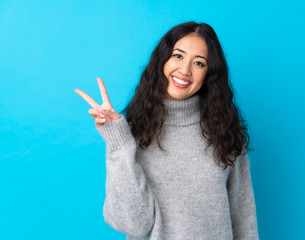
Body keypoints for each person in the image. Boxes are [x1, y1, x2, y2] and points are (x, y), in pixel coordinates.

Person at [75, 22, 258, 240]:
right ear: (163, 59)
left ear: (209, 73)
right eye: (178, 56)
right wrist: (118, 143)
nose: (185, 70)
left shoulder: (224, 131)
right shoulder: (133, 131)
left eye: (199, 63)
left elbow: (243, 219)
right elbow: (132, 224)